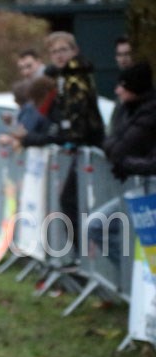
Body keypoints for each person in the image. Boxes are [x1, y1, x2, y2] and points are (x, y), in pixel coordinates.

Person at [43, 32, 105, 259]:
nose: (59, 55)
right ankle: (83, 255)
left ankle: (85, 256)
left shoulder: (76, 76)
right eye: (54, 52)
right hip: (80, 145)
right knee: (71, 201)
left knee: (72, 200)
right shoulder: (62, 77)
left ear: (74, 51)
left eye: (63, 50)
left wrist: (69, 139)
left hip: (88, 146)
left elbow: (79, 114)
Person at [88, 62, 156, 264]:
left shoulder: (149, 112)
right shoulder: (126, 109)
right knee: (96, 225)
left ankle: (132, 278)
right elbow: (110, 142)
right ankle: (130, 279)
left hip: (148, 190)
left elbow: (119, 149)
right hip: (140, 190)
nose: (117, 90)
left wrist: (126, 163)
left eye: (122, 85)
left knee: (98, 225)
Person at [109, 36, 134, 135]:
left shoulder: (140, 86)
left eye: (127, 54)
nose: (123, 59)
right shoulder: (121, 82)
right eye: (119, 55)